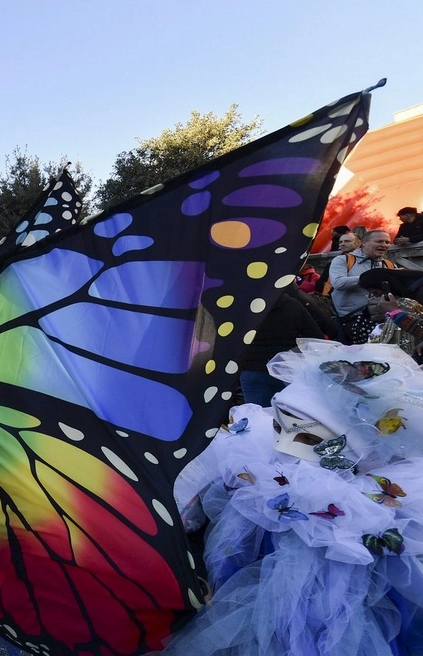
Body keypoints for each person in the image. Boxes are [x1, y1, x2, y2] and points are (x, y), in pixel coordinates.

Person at [166, 339, 423, 656]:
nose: (284, 446)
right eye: (279, 424)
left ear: (355, 450)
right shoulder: (256, 468)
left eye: (307, 436)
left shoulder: (381, 509)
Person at [237, 290, 324, 406]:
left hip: (252, 369)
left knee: (258, 416)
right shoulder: (293, 305)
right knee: (290, 416)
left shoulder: (244, 308)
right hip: (287, 368)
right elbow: (315, 336)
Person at [328, 230, 396, 343]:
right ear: (363, 243)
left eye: (387, 242)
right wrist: (370, 277)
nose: (384, 245)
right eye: (379, 241)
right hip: (350, 320)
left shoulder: (389, 265)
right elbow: (338, 283)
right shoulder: (342, 260)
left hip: (380, 320)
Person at [315, 230, 359, 295]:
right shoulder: (334, 262)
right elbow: (320, 284)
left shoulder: (367, 259)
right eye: (340, 242)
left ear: (358, 243)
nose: (342, 244)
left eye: (347, 241)